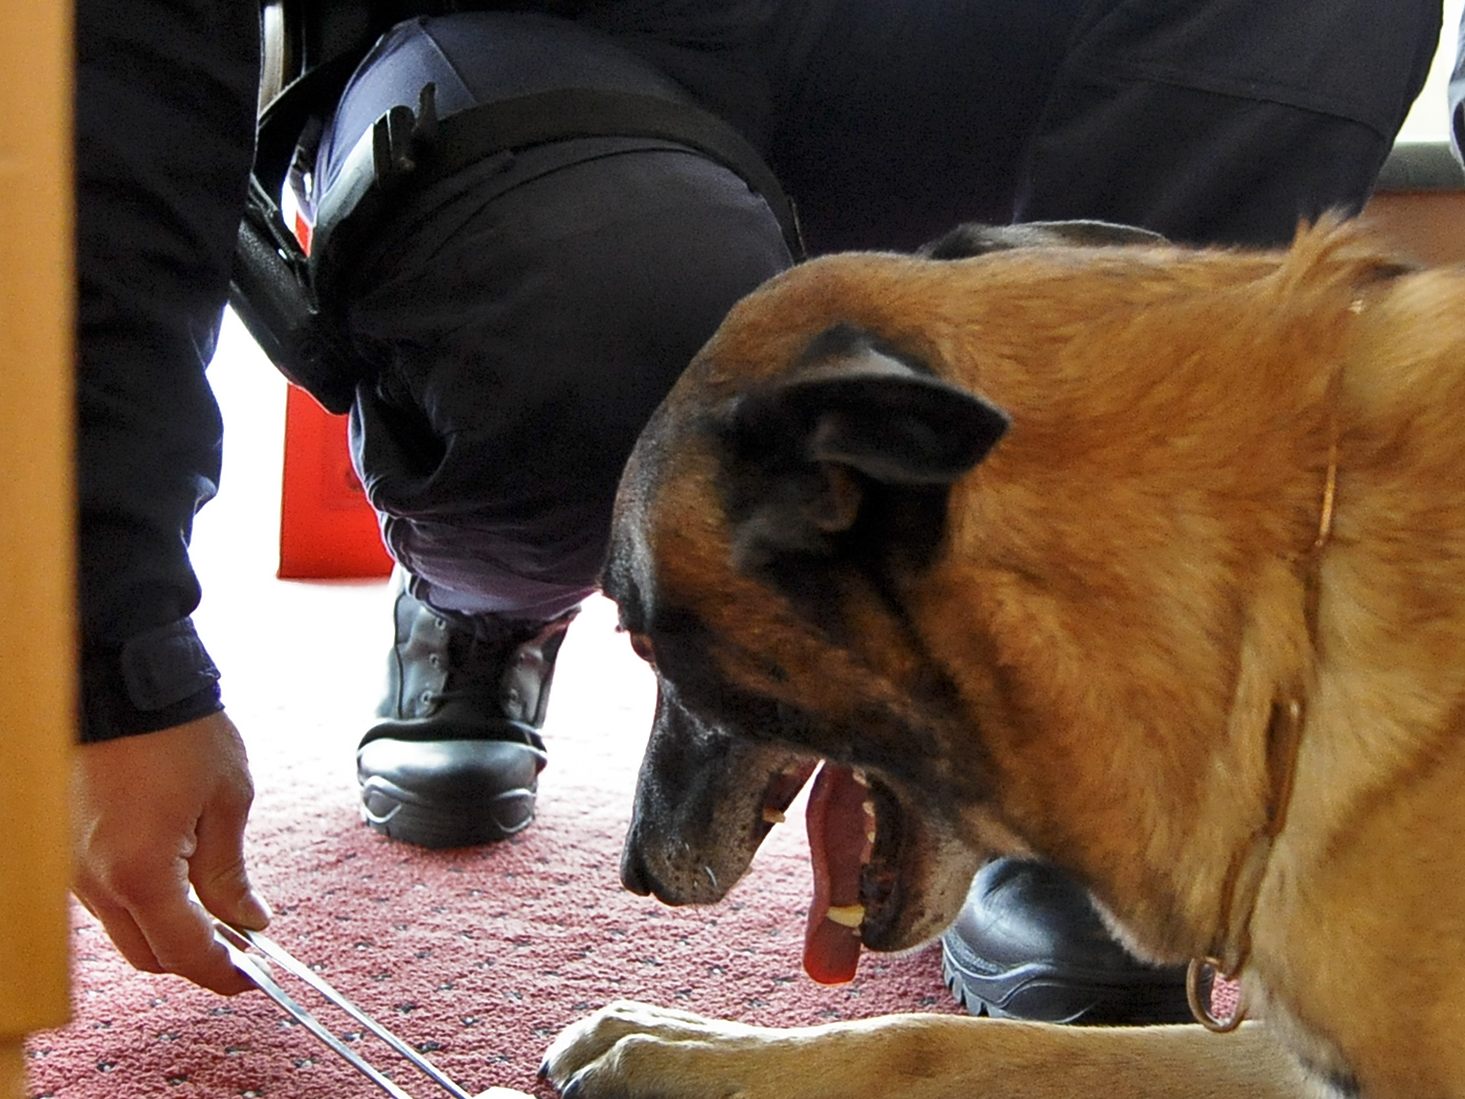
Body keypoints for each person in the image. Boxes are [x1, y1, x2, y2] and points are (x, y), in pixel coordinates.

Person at [71, 0, 1441, 1007]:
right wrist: (101, 652)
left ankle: (1072, 743)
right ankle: (483, 605)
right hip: (535, 61)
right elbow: (110, 72)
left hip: (989, 61)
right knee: (609, 311)